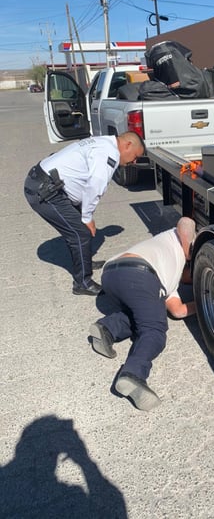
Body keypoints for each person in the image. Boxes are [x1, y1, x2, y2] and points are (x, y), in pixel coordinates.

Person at [89, 216, 197, 411]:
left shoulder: (169, 273)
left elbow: (178, 310)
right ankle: (133, 375)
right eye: (193, 274)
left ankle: (107, 328)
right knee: (154, 331)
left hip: (111, 274)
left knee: (145, 314)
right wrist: (190, 252)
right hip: (140, 273)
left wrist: (205, 304)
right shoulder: (176, 240)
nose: (190, 280)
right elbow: (186, 221)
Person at [24, 132, 145, 296]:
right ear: (128, 145)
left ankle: (84, 262)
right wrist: (87, 218)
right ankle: (82, 283)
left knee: (79, 228)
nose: (134, 162)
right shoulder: (110, 153)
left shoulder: (104, 142)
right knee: (80, 233)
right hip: (44, 191)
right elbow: (95, 187)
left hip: (47, 182)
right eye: (136, 156)